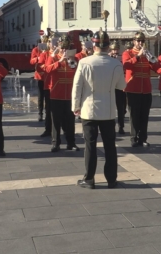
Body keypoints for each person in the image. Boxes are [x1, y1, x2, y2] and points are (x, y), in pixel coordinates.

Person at [73, 29, 126, 189]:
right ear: (108, 46)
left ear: (94, 45)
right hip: (108, 111)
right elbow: (121, 86)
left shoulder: (84, 62)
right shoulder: (116, 63)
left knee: (90, 145)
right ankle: (111, 179)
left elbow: (77, 86)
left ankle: (89, 179)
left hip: (89, 110)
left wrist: (75, 106)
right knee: (110, 146)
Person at [122, 32, 160, 147]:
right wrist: (138, 56)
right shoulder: (127, 53)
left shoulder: (147, 55)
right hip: (133, 88)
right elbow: (126, 66)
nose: (140, 43)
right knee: (134, 115)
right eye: (138, 41)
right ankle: (134, 138)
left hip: (146, 89)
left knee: (144, 115)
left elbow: (156, 69)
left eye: (142, 41)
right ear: (134, 41)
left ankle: (143, 138)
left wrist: (152, 61)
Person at [45, 34, 79, 152]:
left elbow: (79, 72)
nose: (65, 50)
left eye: (67, 48)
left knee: (70, 121)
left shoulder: (75, 58)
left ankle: (71, 143)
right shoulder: (53, 57)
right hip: (56, 94)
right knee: (56, 121)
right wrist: (59, 61)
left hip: (70, 95)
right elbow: (47, 70)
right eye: (63, 48)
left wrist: (73, 62)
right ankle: (55, 143)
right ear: (59, 47)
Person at [37, 36, 55, 137]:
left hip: (61, 85)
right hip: (49, 84)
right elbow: (40, 68)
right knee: (49, 108)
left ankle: (66, 130)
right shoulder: (45, 54)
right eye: (50, 42)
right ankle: (48, 129)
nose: (53, 43)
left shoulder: (63, 53)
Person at [108, 40, 127, 135]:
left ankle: (121, 126)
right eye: (113, 50)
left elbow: (124, 69)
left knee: (121, 108)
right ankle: (110, 127)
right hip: (110, 86)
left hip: (119, 86)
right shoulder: (107, 58)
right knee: (110, 108)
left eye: (116, 49)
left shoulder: (121, 58)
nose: (115, 51)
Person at [30, 36, 49, 122]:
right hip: (40, 75)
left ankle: (48, 113)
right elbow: (31, 61)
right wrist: (39, 57)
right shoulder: (35, 50)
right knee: (41, 96)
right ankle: (40, 113)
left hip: (48, 75)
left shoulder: (50, 50)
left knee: (48, 96)